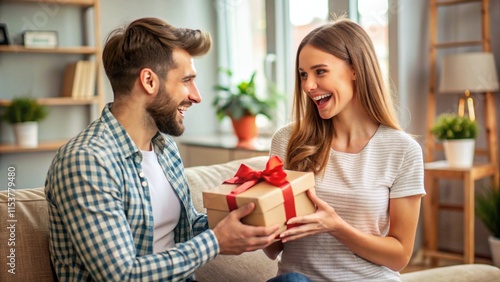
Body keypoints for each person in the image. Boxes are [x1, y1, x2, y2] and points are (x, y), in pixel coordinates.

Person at [45, 17, 280, 282]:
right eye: (186, 80)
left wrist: (251, 219)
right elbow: (121, 275)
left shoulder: (164, 147)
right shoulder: (86, 161)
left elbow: (186, 227)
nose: (196, 96)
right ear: (149, 81)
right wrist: (216, 242)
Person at [264, 17, 425, 281]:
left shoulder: (402, 150)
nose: (308, 86)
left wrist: (336, 227)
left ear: (355, 70)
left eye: (320, 71)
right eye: (303, 74)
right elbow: (274, 248)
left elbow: (399, 256)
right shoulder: (288, 140)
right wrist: (254, 218)